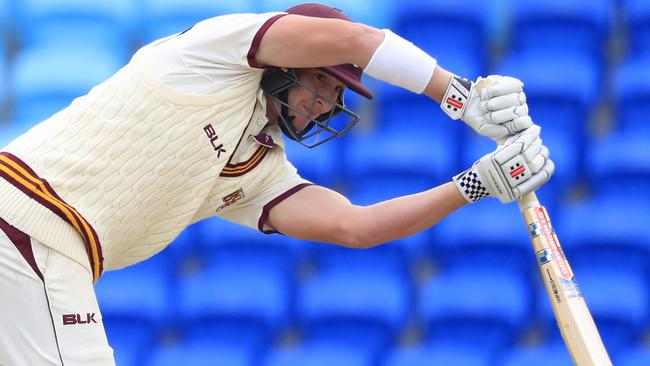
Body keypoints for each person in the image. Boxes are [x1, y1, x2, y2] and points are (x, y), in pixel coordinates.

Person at [0, 3, 554, 365]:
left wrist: (476, 184)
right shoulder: (213, 52)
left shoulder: (262, 167)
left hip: (34, 242)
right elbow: (359, 39)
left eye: (337, 97)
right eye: (322, 79)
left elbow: (354, 227)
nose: (325, 104)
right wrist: (458, 96)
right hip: (32, 227)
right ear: (289, 58)